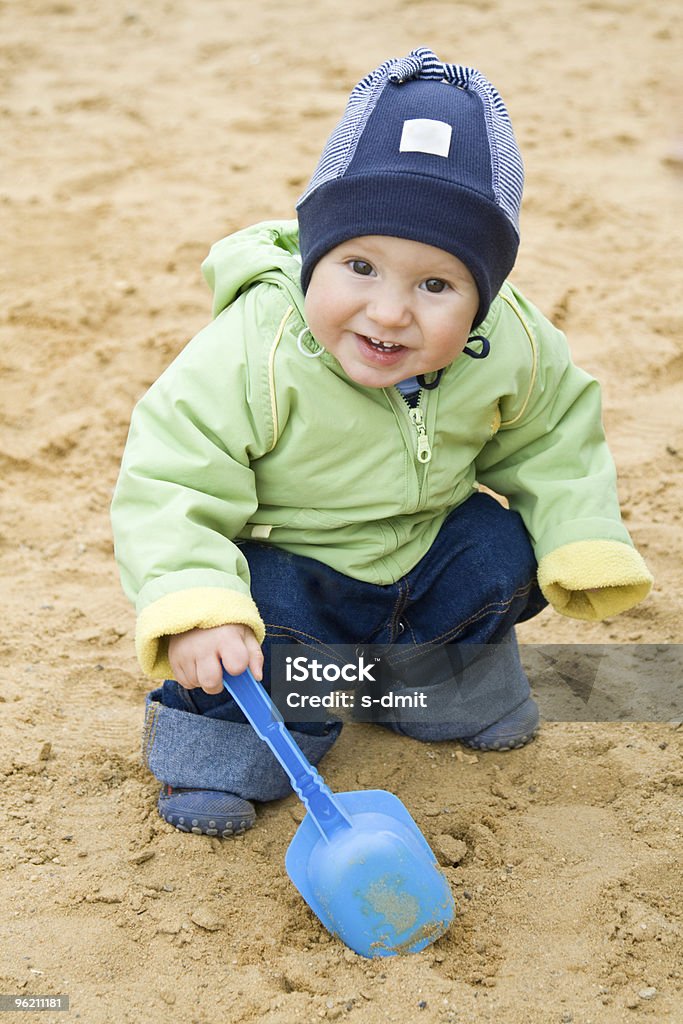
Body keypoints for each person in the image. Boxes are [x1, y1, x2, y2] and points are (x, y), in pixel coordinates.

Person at [111, 47, 653, 838]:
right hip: (296, 564)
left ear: (482, 295)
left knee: (499, 547)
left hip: (421, 546)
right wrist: (196, 605)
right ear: (313, 256)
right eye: (359, 266)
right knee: (250, 627)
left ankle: (440, 686)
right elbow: (171, 479)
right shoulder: (253, 351)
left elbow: (553, 437)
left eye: (435, 285)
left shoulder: (512, 343)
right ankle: (227, 751)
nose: (389, 311)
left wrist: (581, 534)